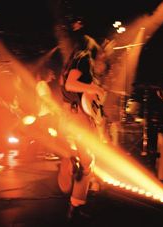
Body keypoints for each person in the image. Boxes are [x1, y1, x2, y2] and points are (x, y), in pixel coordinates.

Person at [57, 25, 108, 221]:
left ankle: (71, 160)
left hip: (68, 116)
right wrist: (95, 88)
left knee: (84, 160)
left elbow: (67, 86)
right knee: (88, 162)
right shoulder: (85, 58)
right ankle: (75, 208)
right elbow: (72, 84)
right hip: (78, 119)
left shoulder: (70, 62)